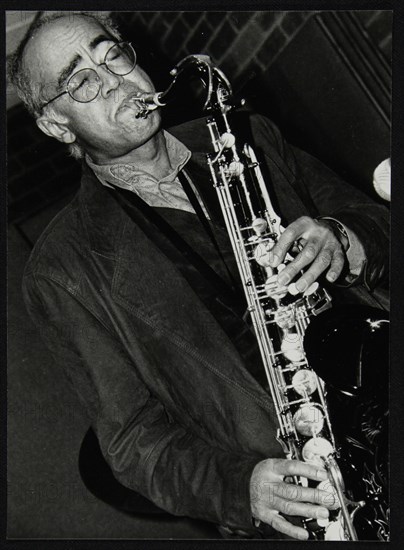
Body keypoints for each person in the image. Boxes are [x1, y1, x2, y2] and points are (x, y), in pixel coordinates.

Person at [9, 11, 389, 540]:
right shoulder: (61, 270)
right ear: (55, 124)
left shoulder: (249, 136)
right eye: (82, 80)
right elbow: (133, 441)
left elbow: (378, 222)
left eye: (112, 55)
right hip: (318, 479)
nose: (115, 80)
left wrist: (343, 236)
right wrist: (241, 488)